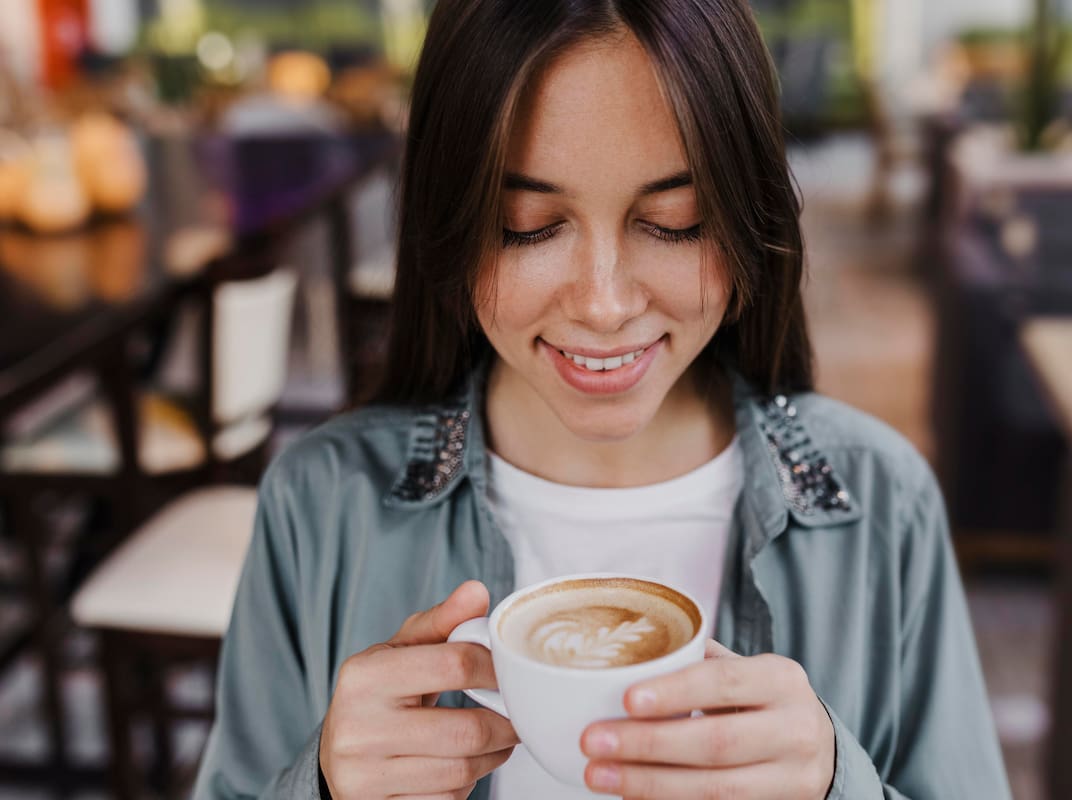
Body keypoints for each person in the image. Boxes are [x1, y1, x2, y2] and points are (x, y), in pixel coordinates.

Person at [192, 1, 1011, 798]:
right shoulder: (322, 503)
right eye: (528, 225)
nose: (604, 304)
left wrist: (840, 785)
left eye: (675, 221)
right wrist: (324, 787)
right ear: (452, 224)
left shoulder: (877, 501)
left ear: (744, 218)